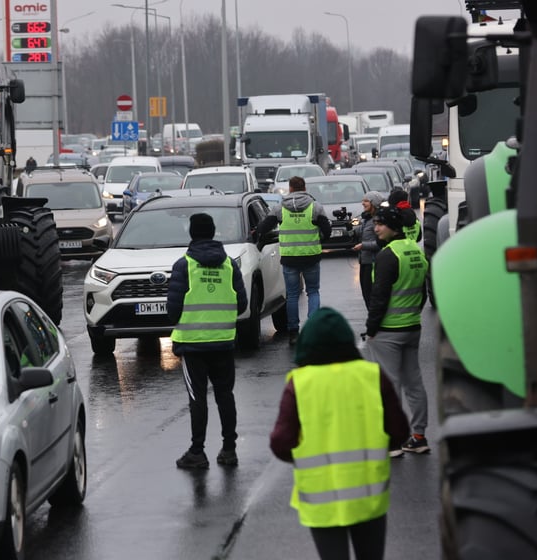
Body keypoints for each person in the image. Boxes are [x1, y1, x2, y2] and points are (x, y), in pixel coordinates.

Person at [270, 307, 409, 560]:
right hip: (369, 496)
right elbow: (399, 431)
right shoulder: (372, 376)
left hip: (321, 501)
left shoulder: (300, 383)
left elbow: (281, 443)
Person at [167, 212, 248, 469]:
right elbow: (242, 304)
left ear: (192, 233)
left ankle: (197, 451)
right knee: (225, 395)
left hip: (193, 345)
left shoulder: (184, 265)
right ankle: (229, 449)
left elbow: (173, 310)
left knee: (197, 398)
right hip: (223, 341)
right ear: (213, 232)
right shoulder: (229, 264)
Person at [366, 206, 430, 455]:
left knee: (389, 387)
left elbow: (378, 297)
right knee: (414, 384)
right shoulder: (415, 250)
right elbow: (422, 293)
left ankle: (392, 442)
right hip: (412, 327)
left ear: (393, 226)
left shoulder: (387, 255)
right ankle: (418, 436)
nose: (376, 228)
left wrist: (371, 329)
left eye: (380, 224)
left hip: (388, 331)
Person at [256, 175, 331, 345]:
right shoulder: (315, 207)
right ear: (304, 188)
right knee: (312, 291)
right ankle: (313, 329)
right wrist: (318, 239)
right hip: (311, 256)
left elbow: (263, 228)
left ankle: (293, 333)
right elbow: (327, 230)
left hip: (290, 257)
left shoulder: (279, 208)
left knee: (292, 295)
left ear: (290, 189)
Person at [352, 191, 385, 309]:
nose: (363, 203)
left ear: (373, 203)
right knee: (366, 294)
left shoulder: (378, 221)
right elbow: (363, 232)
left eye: (366, 201)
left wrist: (363, 245)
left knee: (372, 296)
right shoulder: (366, 219)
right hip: (364, 261)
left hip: (373, 262)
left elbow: (380, 243)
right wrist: (353, 230)